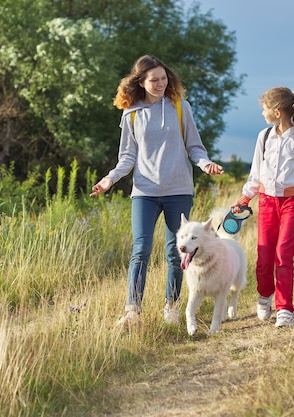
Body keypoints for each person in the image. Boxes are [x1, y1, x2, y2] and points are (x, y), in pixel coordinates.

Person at [90, 55, 224, 326]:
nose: (161, 83)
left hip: (179, 190)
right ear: (141, 82)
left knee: (177, 251)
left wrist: (205, 163)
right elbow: (127, 157)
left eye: (164, 78)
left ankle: (171, 307)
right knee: (140, 250)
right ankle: (132, 311)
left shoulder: (179, 107)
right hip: (144, 192)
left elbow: (194, 147)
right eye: (154, 80)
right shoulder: (131, 114)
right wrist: (109, 179)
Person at [231, 87, 294, 328]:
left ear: (277, 111)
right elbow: (255, 174)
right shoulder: (263, 137)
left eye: (264, 109)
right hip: (266, 202)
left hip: (292, 203)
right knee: (264, 256)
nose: (262, 114)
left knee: (283, 255)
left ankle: (285, 309)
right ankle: (264, 296)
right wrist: (244, 198)